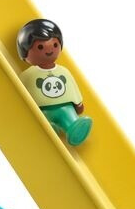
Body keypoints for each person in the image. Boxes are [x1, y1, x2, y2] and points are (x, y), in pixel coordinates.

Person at [17, 18, 93, 146]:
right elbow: (19, 92)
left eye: (55, 45)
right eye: (40, 47)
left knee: (70, 116)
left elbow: (72, 87)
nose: (49, 50)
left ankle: (74, 126)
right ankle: (49, 129)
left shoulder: (63, 71)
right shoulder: (28, 75)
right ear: (25, 53)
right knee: (42, 120)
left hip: (66, 107)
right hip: (42, 110)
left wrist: (78, 103)